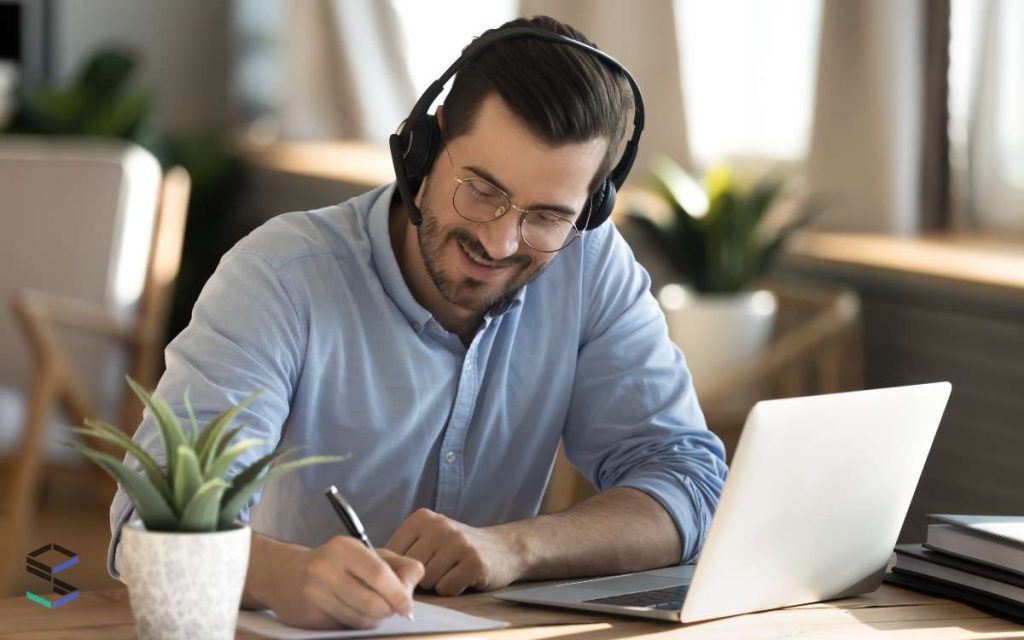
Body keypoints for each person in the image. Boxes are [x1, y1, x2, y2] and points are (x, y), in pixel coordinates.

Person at [107, 15, 728, 631]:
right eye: (481, 189)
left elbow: (687, 482)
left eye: (545, 215)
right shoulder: (281, 275)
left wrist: (513, 548)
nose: (501, 240)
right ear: (422, 150)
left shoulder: (588, 265)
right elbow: (149, 528)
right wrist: (284, 576)